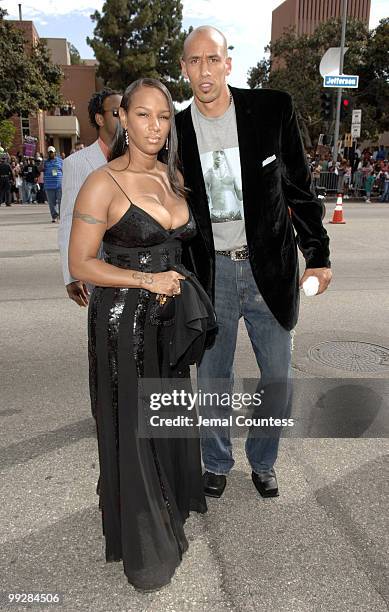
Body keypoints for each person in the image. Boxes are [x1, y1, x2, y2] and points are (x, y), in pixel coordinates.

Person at [176, 26, 331, 499]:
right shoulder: (176, 130)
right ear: (184, 69)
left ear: (228, 63)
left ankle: (263, 460)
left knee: (278, 376)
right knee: (212, 380)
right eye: (194, 61)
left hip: (270, 268)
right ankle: (217, 461)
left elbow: (299, 189)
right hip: (212, 272)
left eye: (212, 59)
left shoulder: (271, 110)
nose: (204, 71)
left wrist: (318, 255)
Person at [68, 78, 211, 591]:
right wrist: (147, 279)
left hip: (167, 325)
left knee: (166, 417)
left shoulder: (173, 176)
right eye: (144, 115)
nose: (155, 126)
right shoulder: (102, 183)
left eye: (165, 117)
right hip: (123, 324)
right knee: (135, 429)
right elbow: (80, 263)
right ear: (122, 118)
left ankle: (168, 505)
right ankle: (145, 547)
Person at [58, 88, 122, 307]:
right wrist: (71, 274)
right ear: (99, 118)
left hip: (137, 265)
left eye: (126, 111)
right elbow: (68, 220)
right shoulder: (77, 164)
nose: (123, 117)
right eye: (116, 112)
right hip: (99, 266)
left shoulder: (138, 158)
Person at [43, 146, 63, 222]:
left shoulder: (60, 161)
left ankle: (61, 217)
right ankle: (54, 216)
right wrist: (43, 161)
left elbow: (64, 170)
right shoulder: (45, 162)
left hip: (59, 185)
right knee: (52, 203)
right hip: (49, 186)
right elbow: (39, 169)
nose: (51, 154)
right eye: (49, 152)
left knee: (61, 201)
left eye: (52, 152)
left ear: (55, 152)